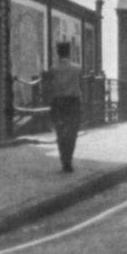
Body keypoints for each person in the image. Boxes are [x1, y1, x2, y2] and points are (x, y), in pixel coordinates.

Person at [47, 41, 82, 173]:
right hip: (73, 102)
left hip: (58, 103)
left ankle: (63, 160)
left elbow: (50, 87)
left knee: (60, 132)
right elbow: (81, 86)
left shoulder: (53, 69)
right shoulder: (77, 68)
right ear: (69, 52)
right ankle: (69, 160)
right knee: (72, 132)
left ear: (58, 52)